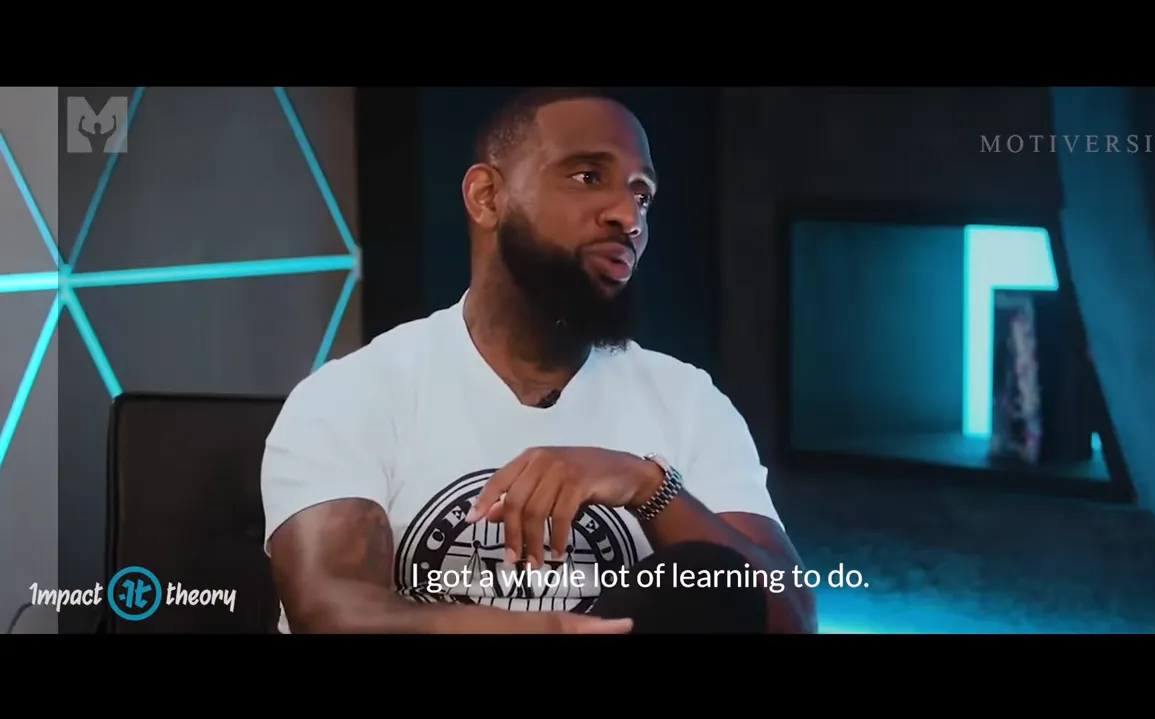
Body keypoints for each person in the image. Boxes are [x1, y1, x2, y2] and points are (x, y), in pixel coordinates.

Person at [261, 88, 816, 634]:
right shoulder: (351, 396)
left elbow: (787, 620)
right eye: (587, 177)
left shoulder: (688, 403)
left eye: (642, 194)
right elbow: (330, 612)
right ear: (485, 196)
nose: (627, 216)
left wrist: (648, 484)